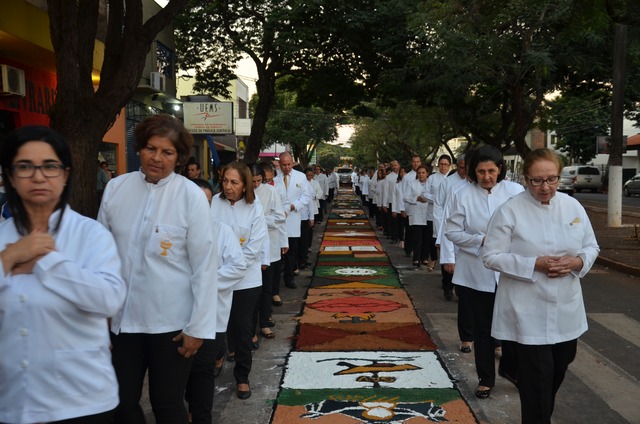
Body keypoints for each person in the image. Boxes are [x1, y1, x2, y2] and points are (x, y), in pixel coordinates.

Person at [0, 126, 127, 423]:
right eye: (25, 167)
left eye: (50, 166)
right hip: (13, 403)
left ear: (66, 174)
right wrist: (9, 257)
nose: (38, 176)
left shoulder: (91, 234)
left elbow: (109, 299)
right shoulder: (3, 238)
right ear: (10, 177)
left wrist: (46, 262)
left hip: (81, 402)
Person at [98, 114, 218, 424]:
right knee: (120, 403)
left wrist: (198, 328)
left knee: (167, 405)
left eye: (168, 152)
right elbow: (101, 256)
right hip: (123, 323)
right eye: (151, 148)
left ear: (179, 157)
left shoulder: (191, 196)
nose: (157, 158)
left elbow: (204, 265)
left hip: (172, 326)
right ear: (139, 148)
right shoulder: (116, 189)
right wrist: (99, 318)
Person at [483, 148, 599, 423]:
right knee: (539, 378)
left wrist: (576, 263)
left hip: (565, 306)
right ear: (525, 179)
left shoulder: (573, 207)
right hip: (527, 309)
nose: (545, 187)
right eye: (537, 180)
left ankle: (515, 372)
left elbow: (591, 246)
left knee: (559, 366)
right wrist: (534, 264)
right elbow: (490, 256)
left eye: (552, 179)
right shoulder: (510, 210)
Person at [444, 145, 524, 400]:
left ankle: (513, 371)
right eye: (481, 171)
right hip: (476, 273)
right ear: (472, 172)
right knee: (483, 329)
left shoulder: (516, 193)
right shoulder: (462, 194)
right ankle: (486, 378)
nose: (487, 176)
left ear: (500, 170)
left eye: (491, 170)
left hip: (511, 271)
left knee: (515, 326)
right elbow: (452, 231)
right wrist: (481, 240)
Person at [185, 179, 246, 424]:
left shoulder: (221, 230)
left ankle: (199, 416)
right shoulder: (174, 230)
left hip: (211, 314)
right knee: (179, 374)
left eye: (206, 203)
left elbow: (237, 266)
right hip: (175, 315)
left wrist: (205, 281)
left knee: (202, 371)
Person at [210, 161, 268, 400]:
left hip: (246, 280)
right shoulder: (214, 203)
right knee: (215, 325)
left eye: (234, 182)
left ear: (245, 185)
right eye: (225, 181)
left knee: (242, 330)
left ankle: (242, 376)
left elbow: (254, 246)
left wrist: (234, 268)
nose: (228, 186)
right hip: (216, 276)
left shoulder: (254, 208)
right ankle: (218, 354)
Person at [250, 163, 288, 341]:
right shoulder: (240, 192)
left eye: (259, 181)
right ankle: (249, 327)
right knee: (250, 290)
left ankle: (264, 322)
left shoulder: (270, 191)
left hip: (269, 245)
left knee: (266, 289)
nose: (256, 185)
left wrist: (259, 220)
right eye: (252, 181)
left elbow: (280, 217)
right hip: (247, 248)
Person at [274, 152, 311, 289]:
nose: (286, 167)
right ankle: (276, 279)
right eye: (283, 165)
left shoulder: (300, 177)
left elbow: (306, 197)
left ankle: (289, 278)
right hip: (277, 219)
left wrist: (293, 206)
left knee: (291, 251)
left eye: (289, 164)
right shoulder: (274, 176)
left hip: (293, 217)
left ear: (292, 163)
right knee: (277, 252)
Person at [404, 164, 435, 269]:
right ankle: (416, 258)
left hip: (428, 213)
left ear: (427, 174)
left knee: (427, 238)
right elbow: (406, 197)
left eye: (423, 173)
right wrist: (416, 198)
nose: (421, 175)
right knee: (417, 238)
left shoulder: (431, 185)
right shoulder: (412, 183)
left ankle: (424, 257)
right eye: (419, 173)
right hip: (416, 213)